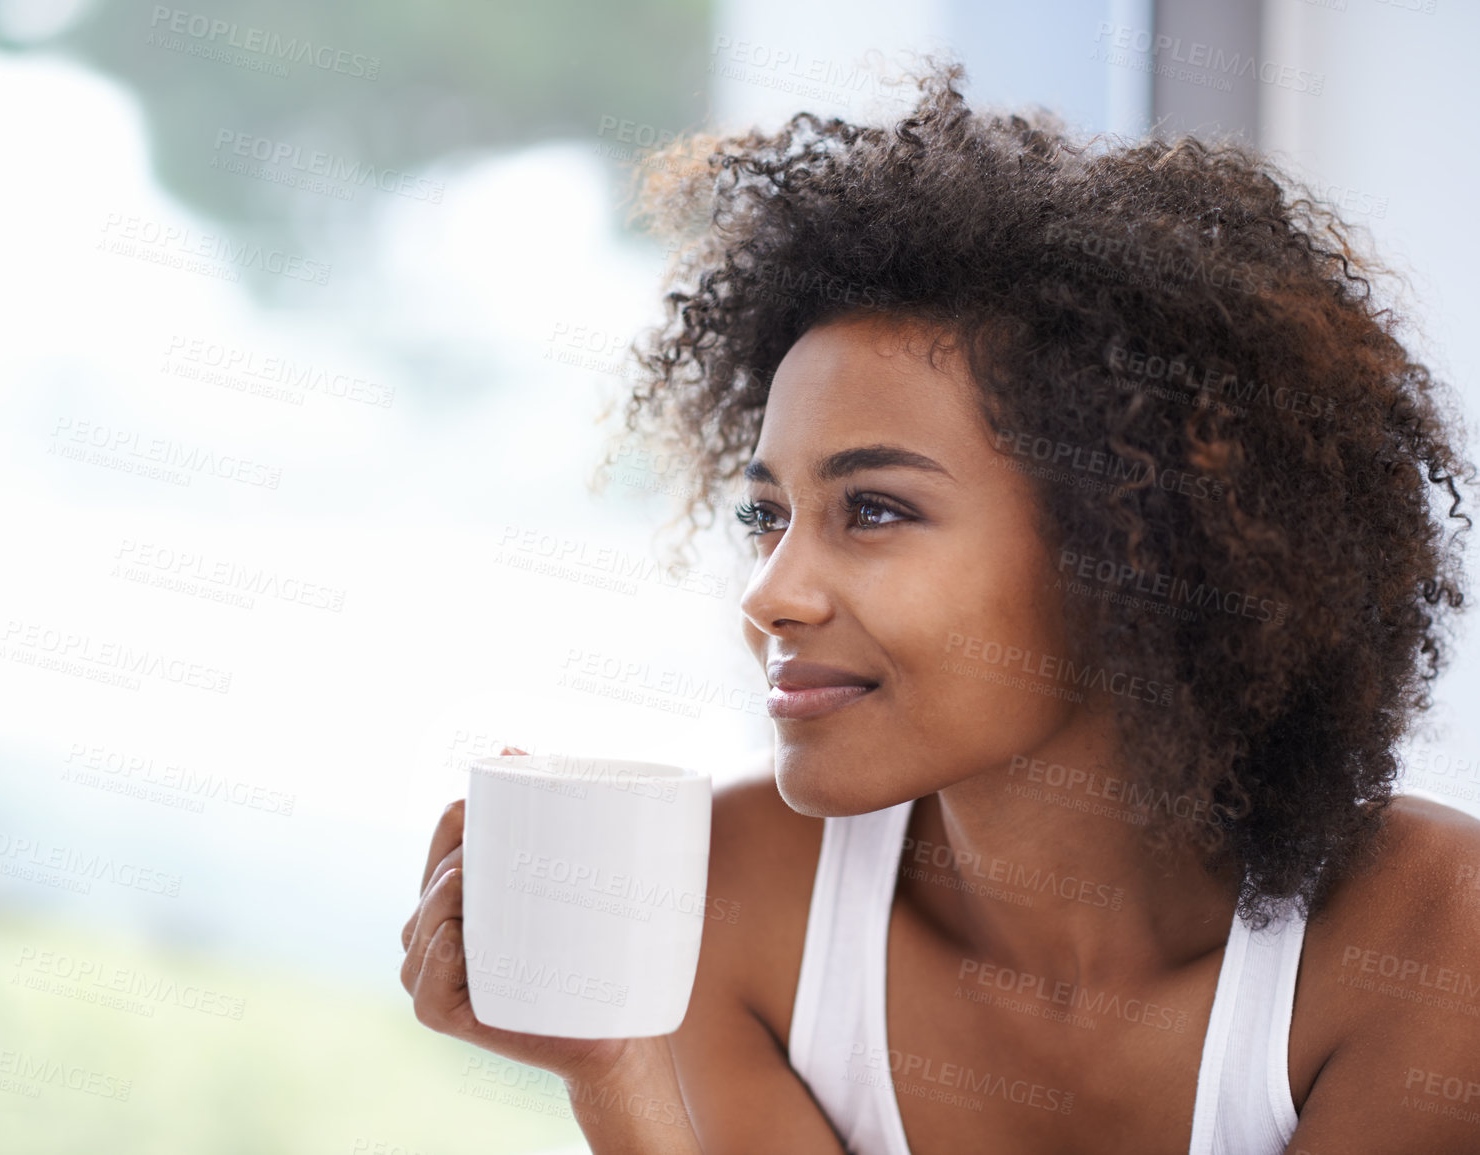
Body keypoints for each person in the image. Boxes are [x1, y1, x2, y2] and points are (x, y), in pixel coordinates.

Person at [399, 62, 1480, 1153]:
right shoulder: (727, 896)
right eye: (766, 515)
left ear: (1126, 548)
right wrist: (612, 1064)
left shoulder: (1437, 932)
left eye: (872, 510)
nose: (771, 594)